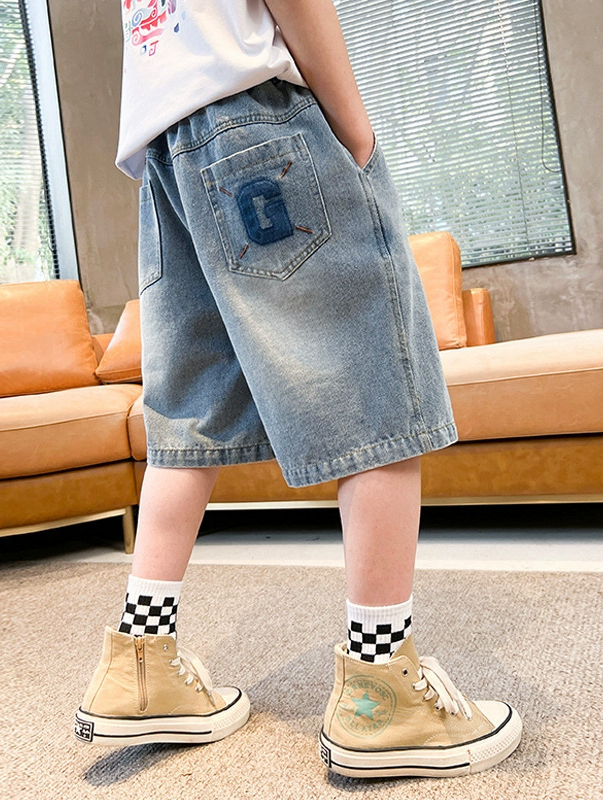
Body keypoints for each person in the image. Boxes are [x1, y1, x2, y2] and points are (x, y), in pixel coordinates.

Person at [73, 0, 522, 779]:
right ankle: (383, 688)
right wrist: (355, 130)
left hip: (167, 158)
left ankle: (139, 662)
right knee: (375, 389)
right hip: (262, 124)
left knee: (189, 412)